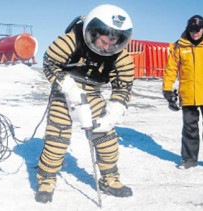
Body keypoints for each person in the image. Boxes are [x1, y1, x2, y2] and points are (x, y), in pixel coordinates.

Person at [35, 4, 134, 203]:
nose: (108, 47)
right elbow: (50, 63)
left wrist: (114, 112)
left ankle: (110, 179)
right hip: (64, 91)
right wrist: (69, 88)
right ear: (93, 31)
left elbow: (124, 85)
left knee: (105, 136)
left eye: (114, 41)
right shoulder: (71, 41)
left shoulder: (120, 56)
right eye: (104, 40)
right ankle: (46, 179)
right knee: (57, 137)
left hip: (92, 93)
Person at [163, 15, 203, 169]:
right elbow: (171, 69)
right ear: (188, 29)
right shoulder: (179, 46)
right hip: (188, 94)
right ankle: (189, 159)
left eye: (198, 30)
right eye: (192, 30)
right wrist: (167, 89)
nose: (195, 33)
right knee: (189, 128)